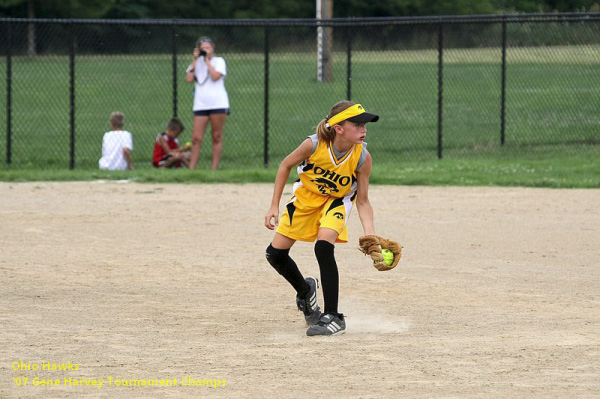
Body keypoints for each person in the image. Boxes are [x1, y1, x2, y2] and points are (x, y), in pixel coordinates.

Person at [264, 101, 380, 336]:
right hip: (306, 199)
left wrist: (370, 234)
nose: (363, 129)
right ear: (338, 128)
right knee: (275, 254)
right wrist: (274, 205)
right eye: (357, 124)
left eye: (364, 125)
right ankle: (306, 290)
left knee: (324, 247)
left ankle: (333, 316)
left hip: (336, 201)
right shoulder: (314, 145)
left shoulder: (362, 157)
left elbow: (363, 201)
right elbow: (285, 165)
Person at [186, 37, 230, 170]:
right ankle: (192, 169)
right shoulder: (196, 63)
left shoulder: (219, 61)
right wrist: (195, 60)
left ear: (213, 49)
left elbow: (215, 76)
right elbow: (189, 78)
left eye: (208, 47)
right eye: (203, 48)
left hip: (218, 104)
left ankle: (214, 169)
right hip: (201, 105)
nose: (206, 50)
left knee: (216, 136)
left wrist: (207, 60)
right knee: (196, 138)